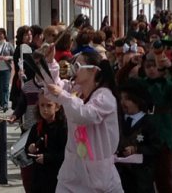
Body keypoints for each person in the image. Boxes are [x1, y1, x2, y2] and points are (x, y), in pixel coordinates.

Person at [45, 51, 123, 192]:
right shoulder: (77, 90)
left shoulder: (105, 96)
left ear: (93, 70)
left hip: (98, 175)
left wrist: (63, 95)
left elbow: (85, 115)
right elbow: (52, 89)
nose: (74, 69)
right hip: (72, 171)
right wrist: (50, 63)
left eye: (78, 66)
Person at [116, 51, 172, 193]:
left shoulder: (167, 85)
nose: (152, 70)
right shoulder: (142, 83)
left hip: (163, 132)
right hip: (142, 131)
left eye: (155, 67)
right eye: (148, 66)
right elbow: (121, 81)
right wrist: (130, 64)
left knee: (163, 177)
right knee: (139, 176)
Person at [116, 78, 161, 193]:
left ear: (137, 101)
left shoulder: (148, 123)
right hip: (120, 176)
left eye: (127, 99)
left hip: (141, 179)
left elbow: (155, 148)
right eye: (122, 98)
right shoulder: (118, 121)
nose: (123, 103)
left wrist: (137, 149)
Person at [25, 93, 67, 193]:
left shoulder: (63, 128)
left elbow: (66, 154)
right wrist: (30, 149)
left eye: (49, 105)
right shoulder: (37, 127)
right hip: (39, 177)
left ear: (57, 107)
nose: (45, 109)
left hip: (56, 176)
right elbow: (27, 150)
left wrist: (48, 158)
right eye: (42, 105)